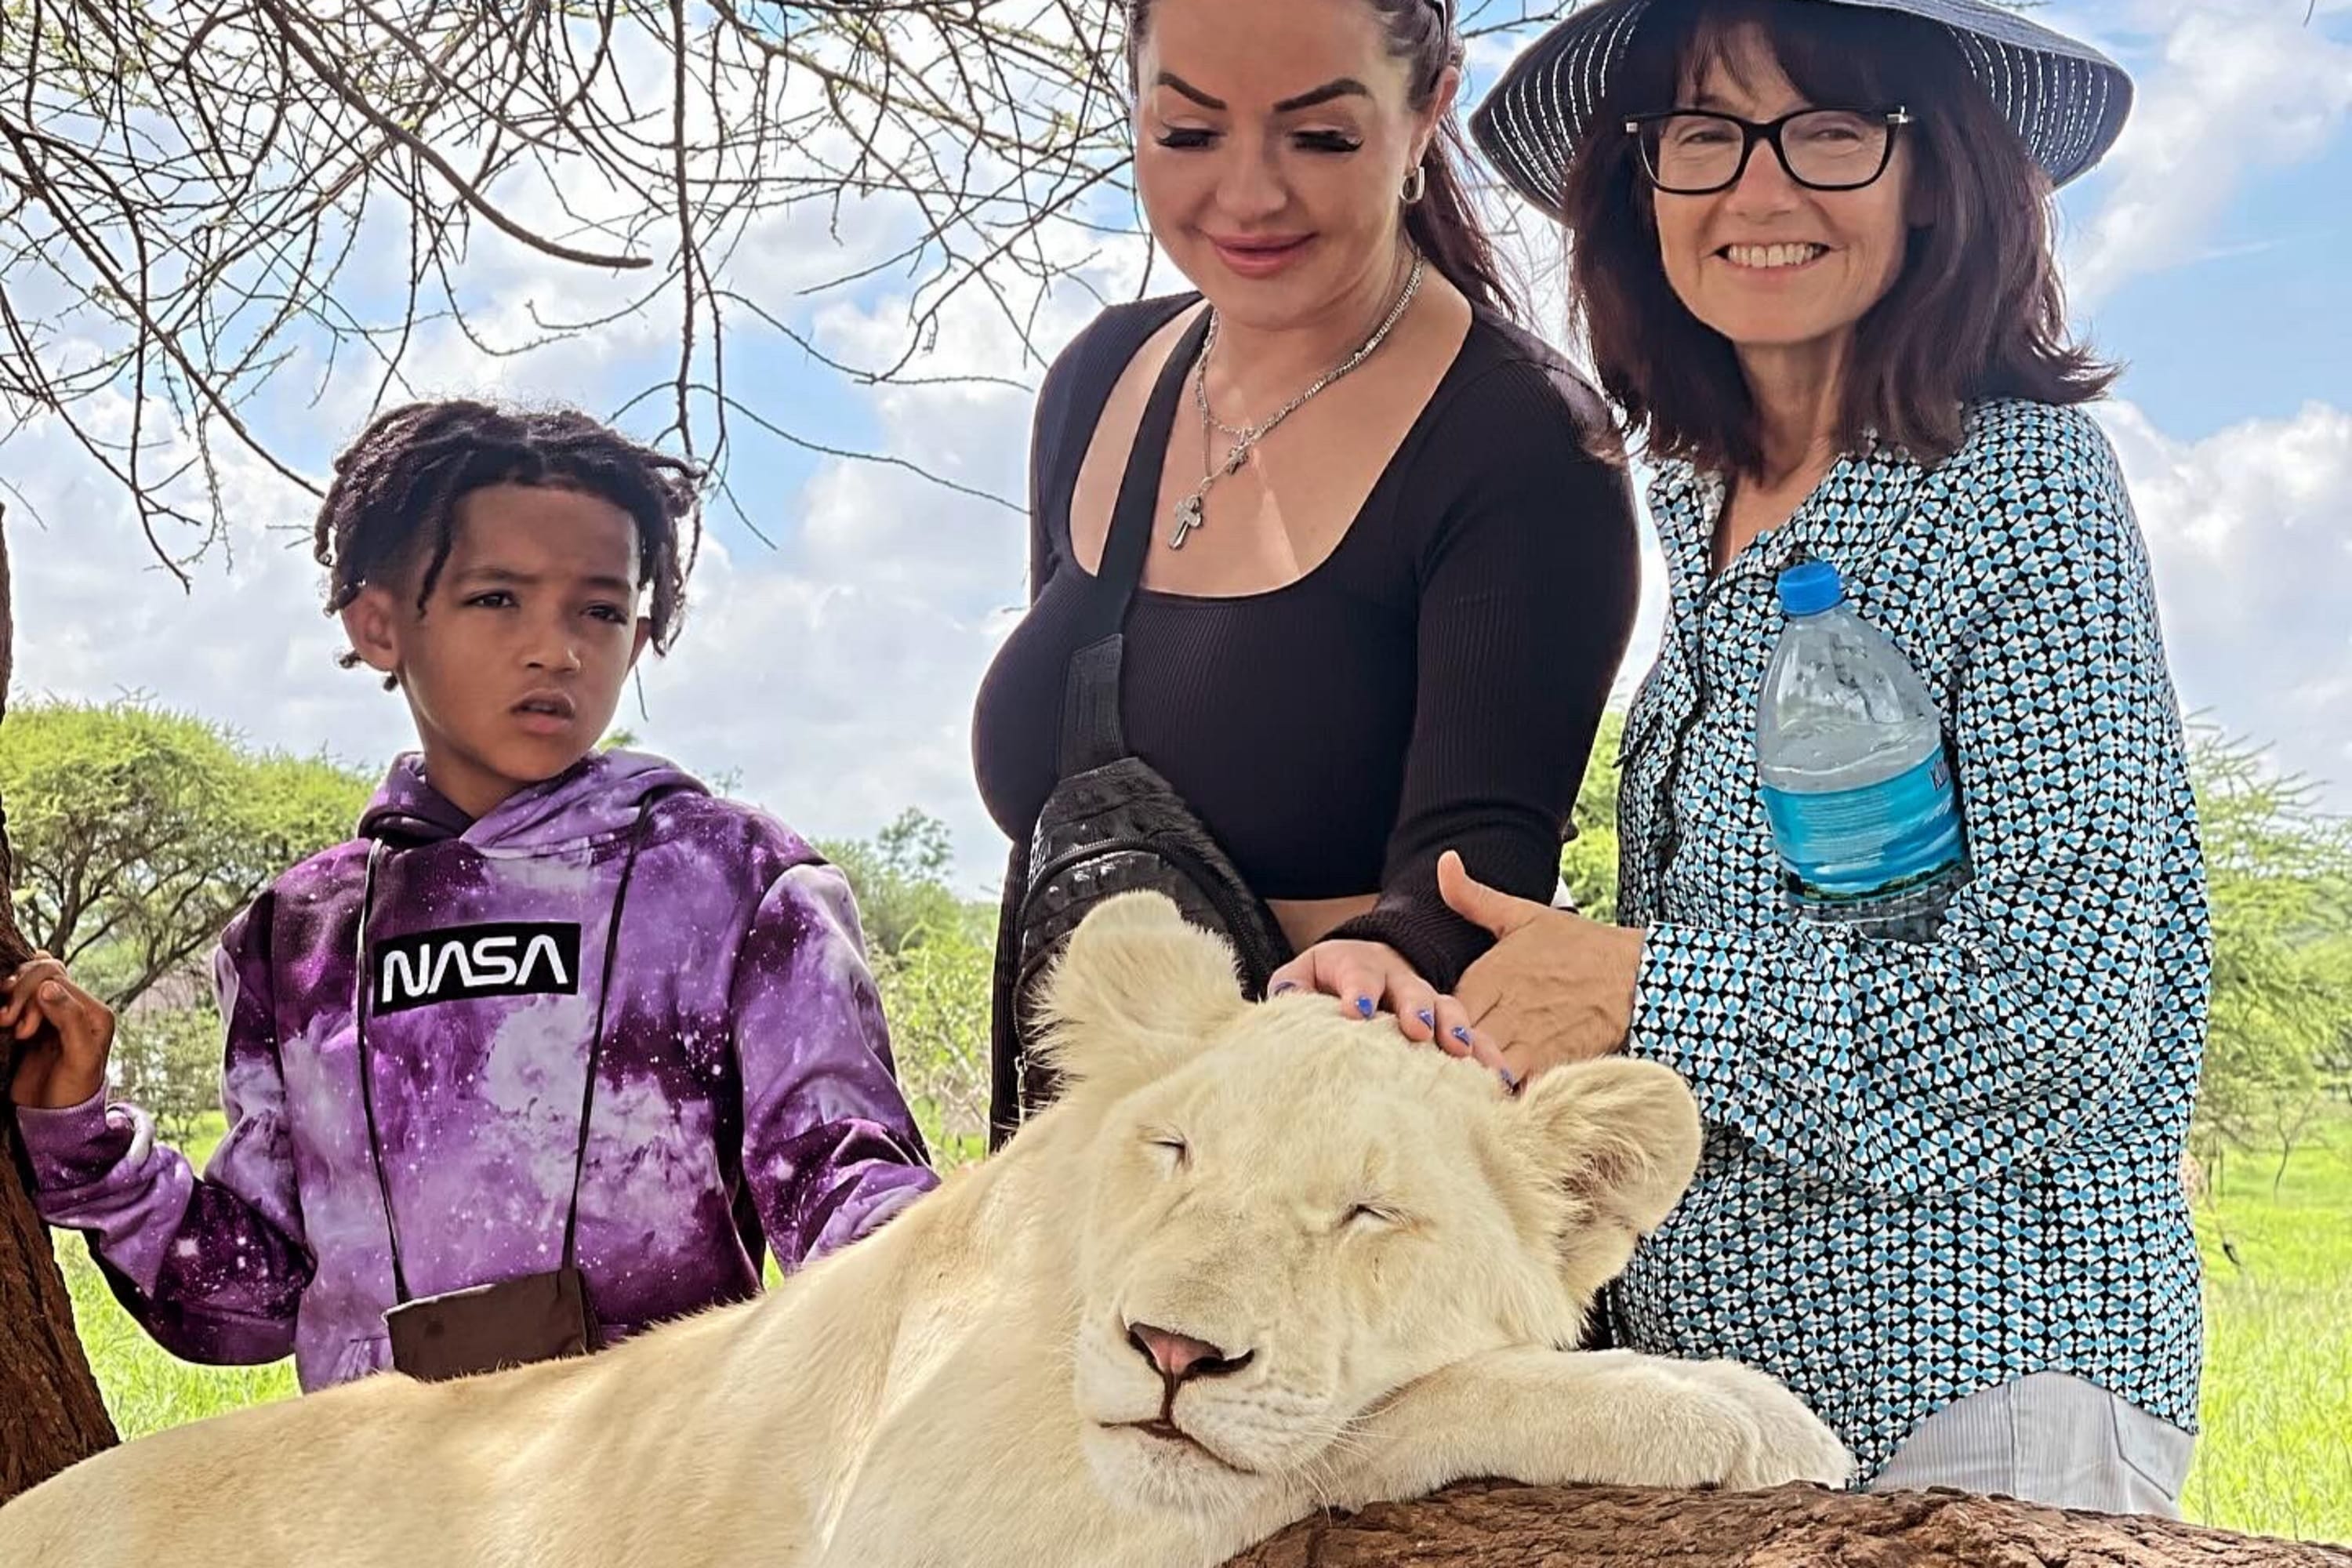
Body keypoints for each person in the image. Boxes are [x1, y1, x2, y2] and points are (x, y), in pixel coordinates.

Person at [1447, 0, 2208, 1512]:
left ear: (1934, 176)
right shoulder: (1700, 505)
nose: (1761, 190)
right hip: (1730, 1423)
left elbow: (2065, 1012)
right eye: (1706, 135)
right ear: (1641, 181)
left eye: (1833, 131)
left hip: (1985, 1387)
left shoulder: (2018, 487)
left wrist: (1637, 989)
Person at [2, 400, 936, 1391]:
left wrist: (975, 1286)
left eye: (601, 609)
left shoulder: (736, 883)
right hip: (384, 1511)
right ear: (378, 623)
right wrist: (84, 1138)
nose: (558, 649)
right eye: (499, 599)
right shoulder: (298, 939)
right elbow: (249, 1303)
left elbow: (851, 1199)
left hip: (667, 1497)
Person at [972, 0, 1640, 1124]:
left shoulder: (1522, 439)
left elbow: (1477, 871)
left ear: (1429, 110)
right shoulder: (1097, 382)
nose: (1248, 195)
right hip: (1073, 1198)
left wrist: (1385, 958)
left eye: (1320, 138)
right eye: (1187, 133)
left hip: (1323, 1205)